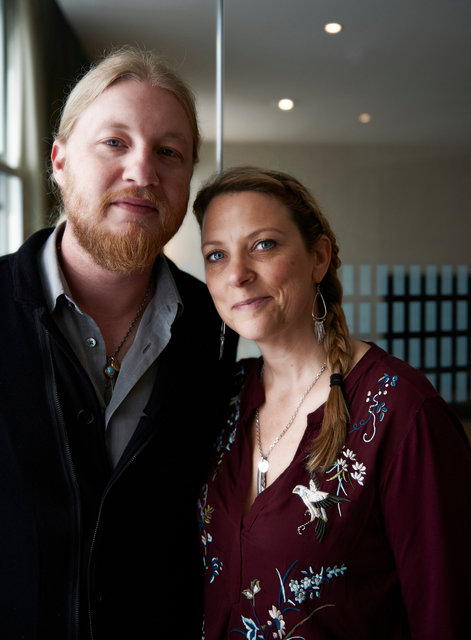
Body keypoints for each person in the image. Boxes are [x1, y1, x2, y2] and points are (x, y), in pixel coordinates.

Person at [0, 46, 237, 639]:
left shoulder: (220, 327)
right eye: (114, 143)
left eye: (169, 153)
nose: (143, 172)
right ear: (58, 160)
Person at [193, 166, 471, 639]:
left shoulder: (401, 412)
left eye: (264, 244)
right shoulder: (225, 399)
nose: (237, 274)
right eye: (216, 255)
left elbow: (448, 611)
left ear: (318, 257)